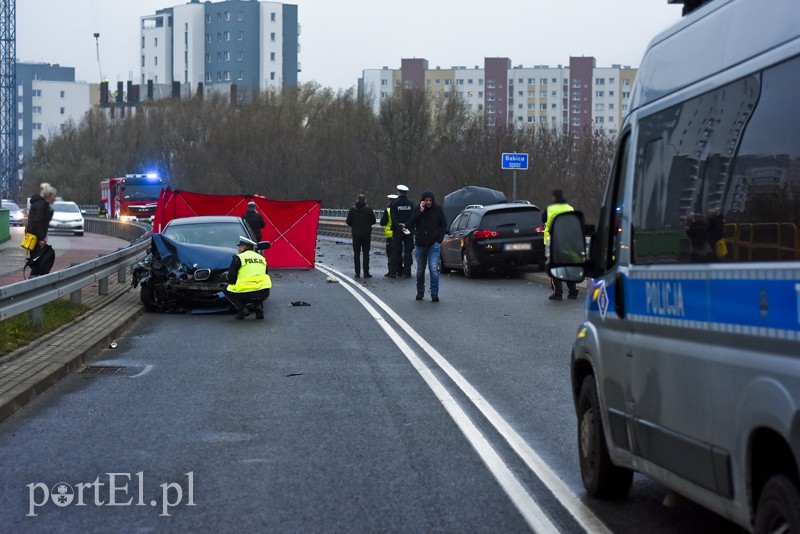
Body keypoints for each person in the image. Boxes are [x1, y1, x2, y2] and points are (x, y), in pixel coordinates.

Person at [406, 190, 447, 302]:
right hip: (420, 244)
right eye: (426, 200)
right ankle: (420, 292)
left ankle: (434, 293)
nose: (428, 202)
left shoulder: (437, 209)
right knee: (420, 270)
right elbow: (410, 222)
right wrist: (420, 211)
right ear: (422, 201)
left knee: (433, 269)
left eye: (430, 200)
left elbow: (443, 225)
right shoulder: (417, 209)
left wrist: (438, 240)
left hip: (433, 244)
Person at [224, 236, 272, 319]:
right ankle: (258, 307)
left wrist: (232, 283)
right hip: (264, 292)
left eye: (239, 247)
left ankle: (242, 309)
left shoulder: (239, 257)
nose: (238, 249)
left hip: (245, 293)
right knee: (258, 285)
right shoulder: (261, 258)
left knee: (225, 288)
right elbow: (265, 274)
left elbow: (231, 276)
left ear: (243, 247)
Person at [543, 189, 579, 300]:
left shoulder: (550, 209)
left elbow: (543, 219)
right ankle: (573, 291)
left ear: (554, 197)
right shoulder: (570, 208)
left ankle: (558, 293)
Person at [25, 183, 57, 276]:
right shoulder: (41, 205)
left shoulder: (42, 204)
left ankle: (34, 283)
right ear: (49, 196)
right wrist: (41, 239)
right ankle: (33, 284)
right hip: (36, 238)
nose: (54, 199)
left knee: (38, 262)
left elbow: (43, 222)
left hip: (36, 237)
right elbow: (37, 222)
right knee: (38, 263)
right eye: (53, 197)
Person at [345, 193, 377, 278]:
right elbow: (373, 221)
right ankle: (366, 272)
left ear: (357, 200)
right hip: (366, 234)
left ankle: (357, 273)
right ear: (365, 200)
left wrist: (355, 225)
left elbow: (348, 221)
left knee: (356, 254)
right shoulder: (368, 210)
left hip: (355, 234)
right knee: (366, 253)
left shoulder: (352, 210)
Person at [388, 184, 414, 278]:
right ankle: (407, 272)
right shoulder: (411, 204)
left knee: (396, 251)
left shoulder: (394, 204)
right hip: (408, 230)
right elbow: (413, 217)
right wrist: (406, 224)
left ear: (398, 192)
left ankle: (393, 272)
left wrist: (399, 225)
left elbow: (393, 217)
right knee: (408, 251)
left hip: (397, 230)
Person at [379, 194, 398, 275]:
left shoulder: (388, 210)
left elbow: (382, 222)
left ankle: (391, 271)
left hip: (390, 235)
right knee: (397, 253)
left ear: (390, 201)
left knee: (390, 254)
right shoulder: (398, 209)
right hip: (398, 235)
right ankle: (399, 270)